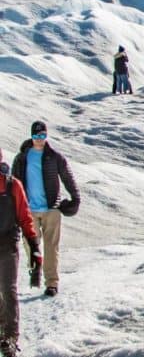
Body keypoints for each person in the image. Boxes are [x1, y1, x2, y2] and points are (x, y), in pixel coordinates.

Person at [12, 121, 80, 298]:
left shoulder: (54, 156)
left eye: (42, 136)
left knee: (51, 247)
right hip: (29, 210)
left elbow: (67, 177)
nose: (39, 140)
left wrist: (75, 197)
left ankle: (51, 283)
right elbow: (14, 183)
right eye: (36, 136)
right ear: (31, 136)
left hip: (52, 209)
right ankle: (36, 270)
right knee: (30, 245)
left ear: (46, 136)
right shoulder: (22, 157)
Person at [0, 148, 42, 357]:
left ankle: (10, 339)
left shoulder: (12, 185)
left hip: (8, 246)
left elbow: (25, 217)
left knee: (9, 290)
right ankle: (3, 330)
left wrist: (34, 247)